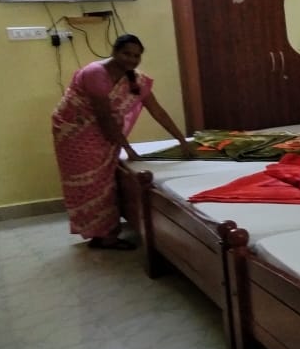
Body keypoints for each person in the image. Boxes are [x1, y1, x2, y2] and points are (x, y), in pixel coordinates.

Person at [51, 34, 194, 250]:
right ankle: (104, 236)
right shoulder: (95, 73)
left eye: (137, 56)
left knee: (102, 182)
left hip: (103, 131)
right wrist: (127, 149)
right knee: (89, 182)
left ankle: (103, 232)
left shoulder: (136, 80)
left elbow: (158, 111)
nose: (132, 59)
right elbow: (104, 117)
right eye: (126, 54)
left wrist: (181, 139)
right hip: (75, 133)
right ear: (114, 52)